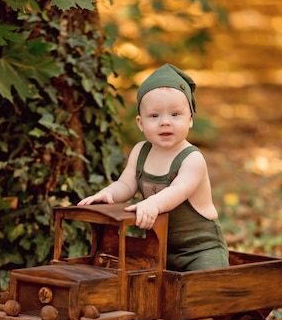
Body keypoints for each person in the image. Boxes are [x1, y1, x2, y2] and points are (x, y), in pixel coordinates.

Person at [78, 63, 228, 271]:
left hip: (200, 250)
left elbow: (179, 190)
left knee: (203, 292)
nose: (165, 122)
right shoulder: (140, 151)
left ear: (190, 119)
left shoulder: (192, 158)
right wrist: (109, 193)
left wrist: (153, 204)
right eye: (154, 116)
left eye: (175, 115)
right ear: (140, 123)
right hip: (158, 249)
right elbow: (126, 184)